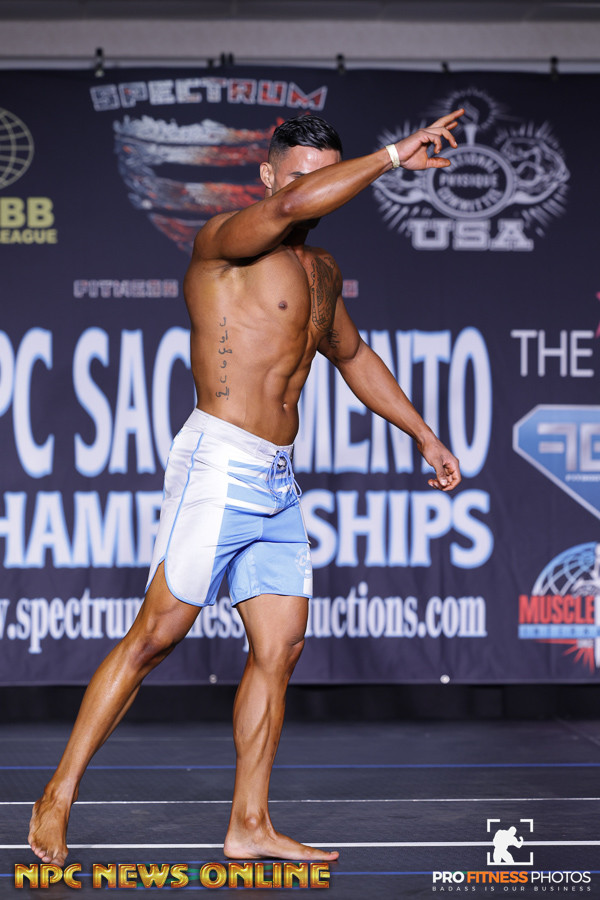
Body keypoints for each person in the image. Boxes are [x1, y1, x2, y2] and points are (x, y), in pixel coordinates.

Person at [29, 110, 463, 867]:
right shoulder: (224, 241)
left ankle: (250, 824)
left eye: (326, 174)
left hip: (277, 479)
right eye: (300, 175)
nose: (314, 189)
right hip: (219, 463)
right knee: (155, 638)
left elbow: (354, 356)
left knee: (280, 646)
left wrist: (423, 434)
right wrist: (393, 156)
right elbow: (293, 207)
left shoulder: (320, 271)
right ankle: (55, 798)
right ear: (267, 177)